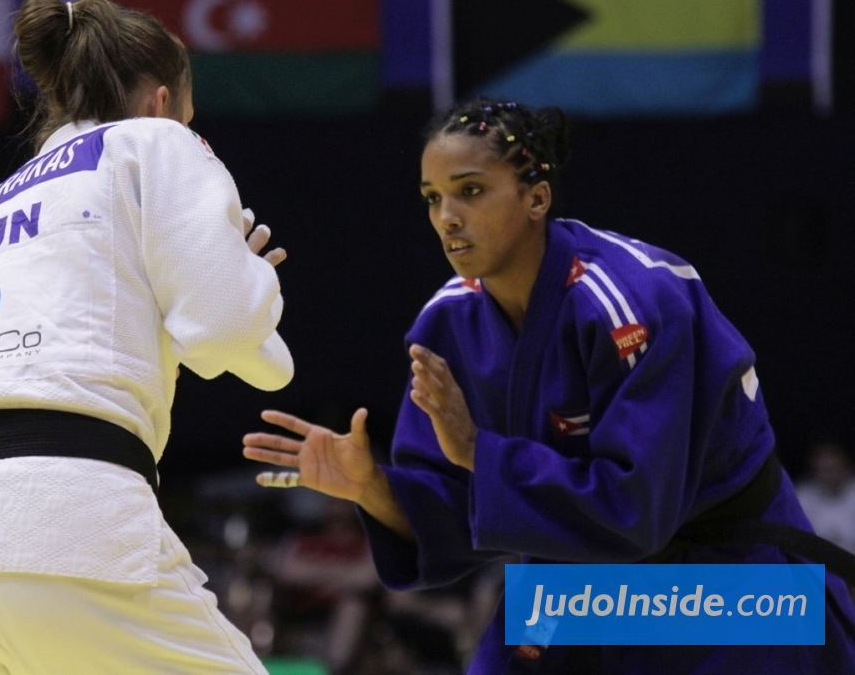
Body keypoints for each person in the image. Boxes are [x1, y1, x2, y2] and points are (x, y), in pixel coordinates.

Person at [243, 98, 855, 673]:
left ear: (537, 199)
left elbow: (636, 511)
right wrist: (372, 487)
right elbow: (460, 511)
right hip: (589, 579)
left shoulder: (632, 303)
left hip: (733, 577)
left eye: (471, 192)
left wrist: (480, 452)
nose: (447, 218)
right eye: (432, 198)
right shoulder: (448, 322)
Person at [0, 0, 292, 675]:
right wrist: (249, 277)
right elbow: (228, 336)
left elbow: (34, 360)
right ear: (161, 101)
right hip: (69, 523)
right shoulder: (156, 143)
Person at [796, 442, 855, 555]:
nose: (830, 475)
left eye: (834, 468)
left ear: (845, 468)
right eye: (825, 470)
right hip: (815, 564)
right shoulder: (802, 496)